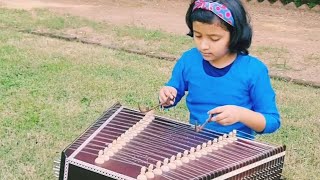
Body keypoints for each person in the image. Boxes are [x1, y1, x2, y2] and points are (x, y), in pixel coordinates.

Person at [159, 0, 280, 137]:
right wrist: (167, 94)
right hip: (194, 144)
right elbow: (171, 95)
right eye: (198, 36)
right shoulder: (189, 60)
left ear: (235, 35)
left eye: (214, 38)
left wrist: (241, 114)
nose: (203, 46)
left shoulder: (253, 70)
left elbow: (272, 121)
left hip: (236, 150)